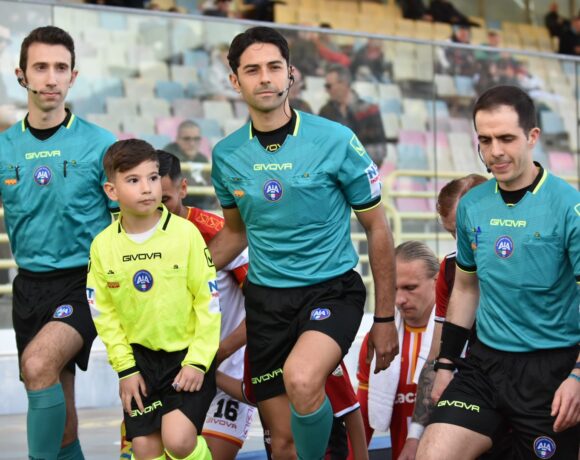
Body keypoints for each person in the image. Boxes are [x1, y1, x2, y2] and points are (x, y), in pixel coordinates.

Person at [210, 26, 398, 460]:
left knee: (301, 378)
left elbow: (377, 228)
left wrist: (385, 318)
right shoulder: (226, 155)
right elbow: (235, 233)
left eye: (274, 67)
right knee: (284, 442)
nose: (265, 78)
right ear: (235, 80)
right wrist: (181, 270)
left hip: (331, 291)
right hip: (266, 304)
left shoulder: (336, 139)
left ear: (291, 73)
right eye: (252, 70)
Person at [417, 85, 580, 459]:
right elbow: (466, 289)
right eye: (485, 140)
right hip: (485, 367)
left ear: (532, 136)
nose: (495, 152)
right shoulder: (472, 205)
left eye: (506, 138)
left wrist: (577, 376)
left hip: (551, 372)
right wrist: (446, 365)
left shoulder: (569, 207)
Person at [0, 25, 115, 459]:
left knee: (37, 364)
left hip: (85, 283)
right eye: (41, 68)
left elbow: (130, 220)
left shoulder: (100, 144)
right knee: (59, 410)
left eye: (61, 68)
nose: (51, 78)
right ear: (21, 75)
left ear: (74, 76)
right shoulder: (4, 148)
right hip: (29, 287)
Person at [88, 139, 220, 460]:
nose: (147, 188)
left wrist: (198, 361)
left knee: (178, 441)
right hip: (139, 363)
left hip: (186, 357)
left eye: (153, 177)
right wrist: (126, 369)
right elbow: (104, 313)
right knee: (145, 449)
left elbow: (208, 301)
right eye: (133, 180)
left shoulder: (186, 234)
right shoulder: (102, 246)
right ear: (111, 191)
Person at [355, 241, 438, 460]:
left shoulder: (461, 338)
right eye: (393, 289)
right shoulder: (378, 342)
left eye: (410, 288)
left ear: (437, 282)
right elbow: (363, 418)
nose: (400, 300)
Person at [319, 64, 388, 167]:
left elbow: (380, 151)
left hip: (362, 172)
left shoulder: (369, 110)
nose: (326, 90)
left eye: (329, 86)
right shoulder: (325, 112)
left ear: (343, 84)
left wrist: (348, 158)